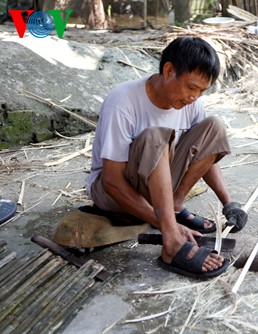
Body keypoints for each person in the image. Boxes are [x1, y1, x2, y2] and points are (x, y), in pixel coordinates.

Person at [86, 37, 247, 279]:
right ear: (169, 70)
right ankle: (171, 245)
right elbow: (111, 181)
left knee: (214, 126)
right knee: (155, 137)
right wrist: (168, 226)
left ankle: (174, 205)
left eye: (202, 91)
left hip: (157, 185)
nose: (194, 97)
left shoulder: (190, 104)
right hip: (112, 192)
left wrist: (228, 202)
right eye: (192, 88)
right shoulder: (123, 101)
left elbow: (205, 152)